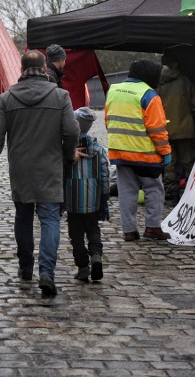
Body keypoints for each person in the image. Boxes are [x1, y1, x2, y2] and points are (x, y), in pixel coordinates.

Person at [0, 50, 79, 297]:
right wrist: (68, 155)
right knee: (49, 219)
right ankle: (46, 273)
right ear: (45, 67)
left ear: (22, 69)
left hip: (21, 169)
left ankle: (25, 268)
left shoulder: (7, 99)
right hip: (50, 167)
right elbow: (71, 131)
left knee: (23, 218)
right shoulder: (60, 96)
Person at [105, 59, 172, 242]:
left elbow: (107, 120)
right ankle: (152, 227)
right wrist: (165, 153)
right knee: (154, 190)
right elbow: (157, 129)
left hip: (119, 153)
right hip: (145, 155)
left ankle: (129, 231)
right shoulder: (149, 94)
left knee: (126, 191)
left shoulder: (113, 90)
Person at [64, 107, 110, 283]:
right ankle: (96, 255)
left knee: (75, 235)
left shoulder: (68, 150)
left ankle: (83, 267)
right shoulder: (98, 150)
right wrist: (104, 196)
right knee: (93, 230)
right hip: (93, 200)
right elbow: (105, 175)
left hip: (73, 200)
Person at [158, 52, 195, 205]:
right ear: (176, 64)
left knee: (169, 163)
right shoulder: (187, 83)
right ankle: (191, 193)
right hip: (185, 128)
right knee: (187, 161)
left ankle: (171, 194)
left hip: (164, 129)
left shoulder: (159, 84)